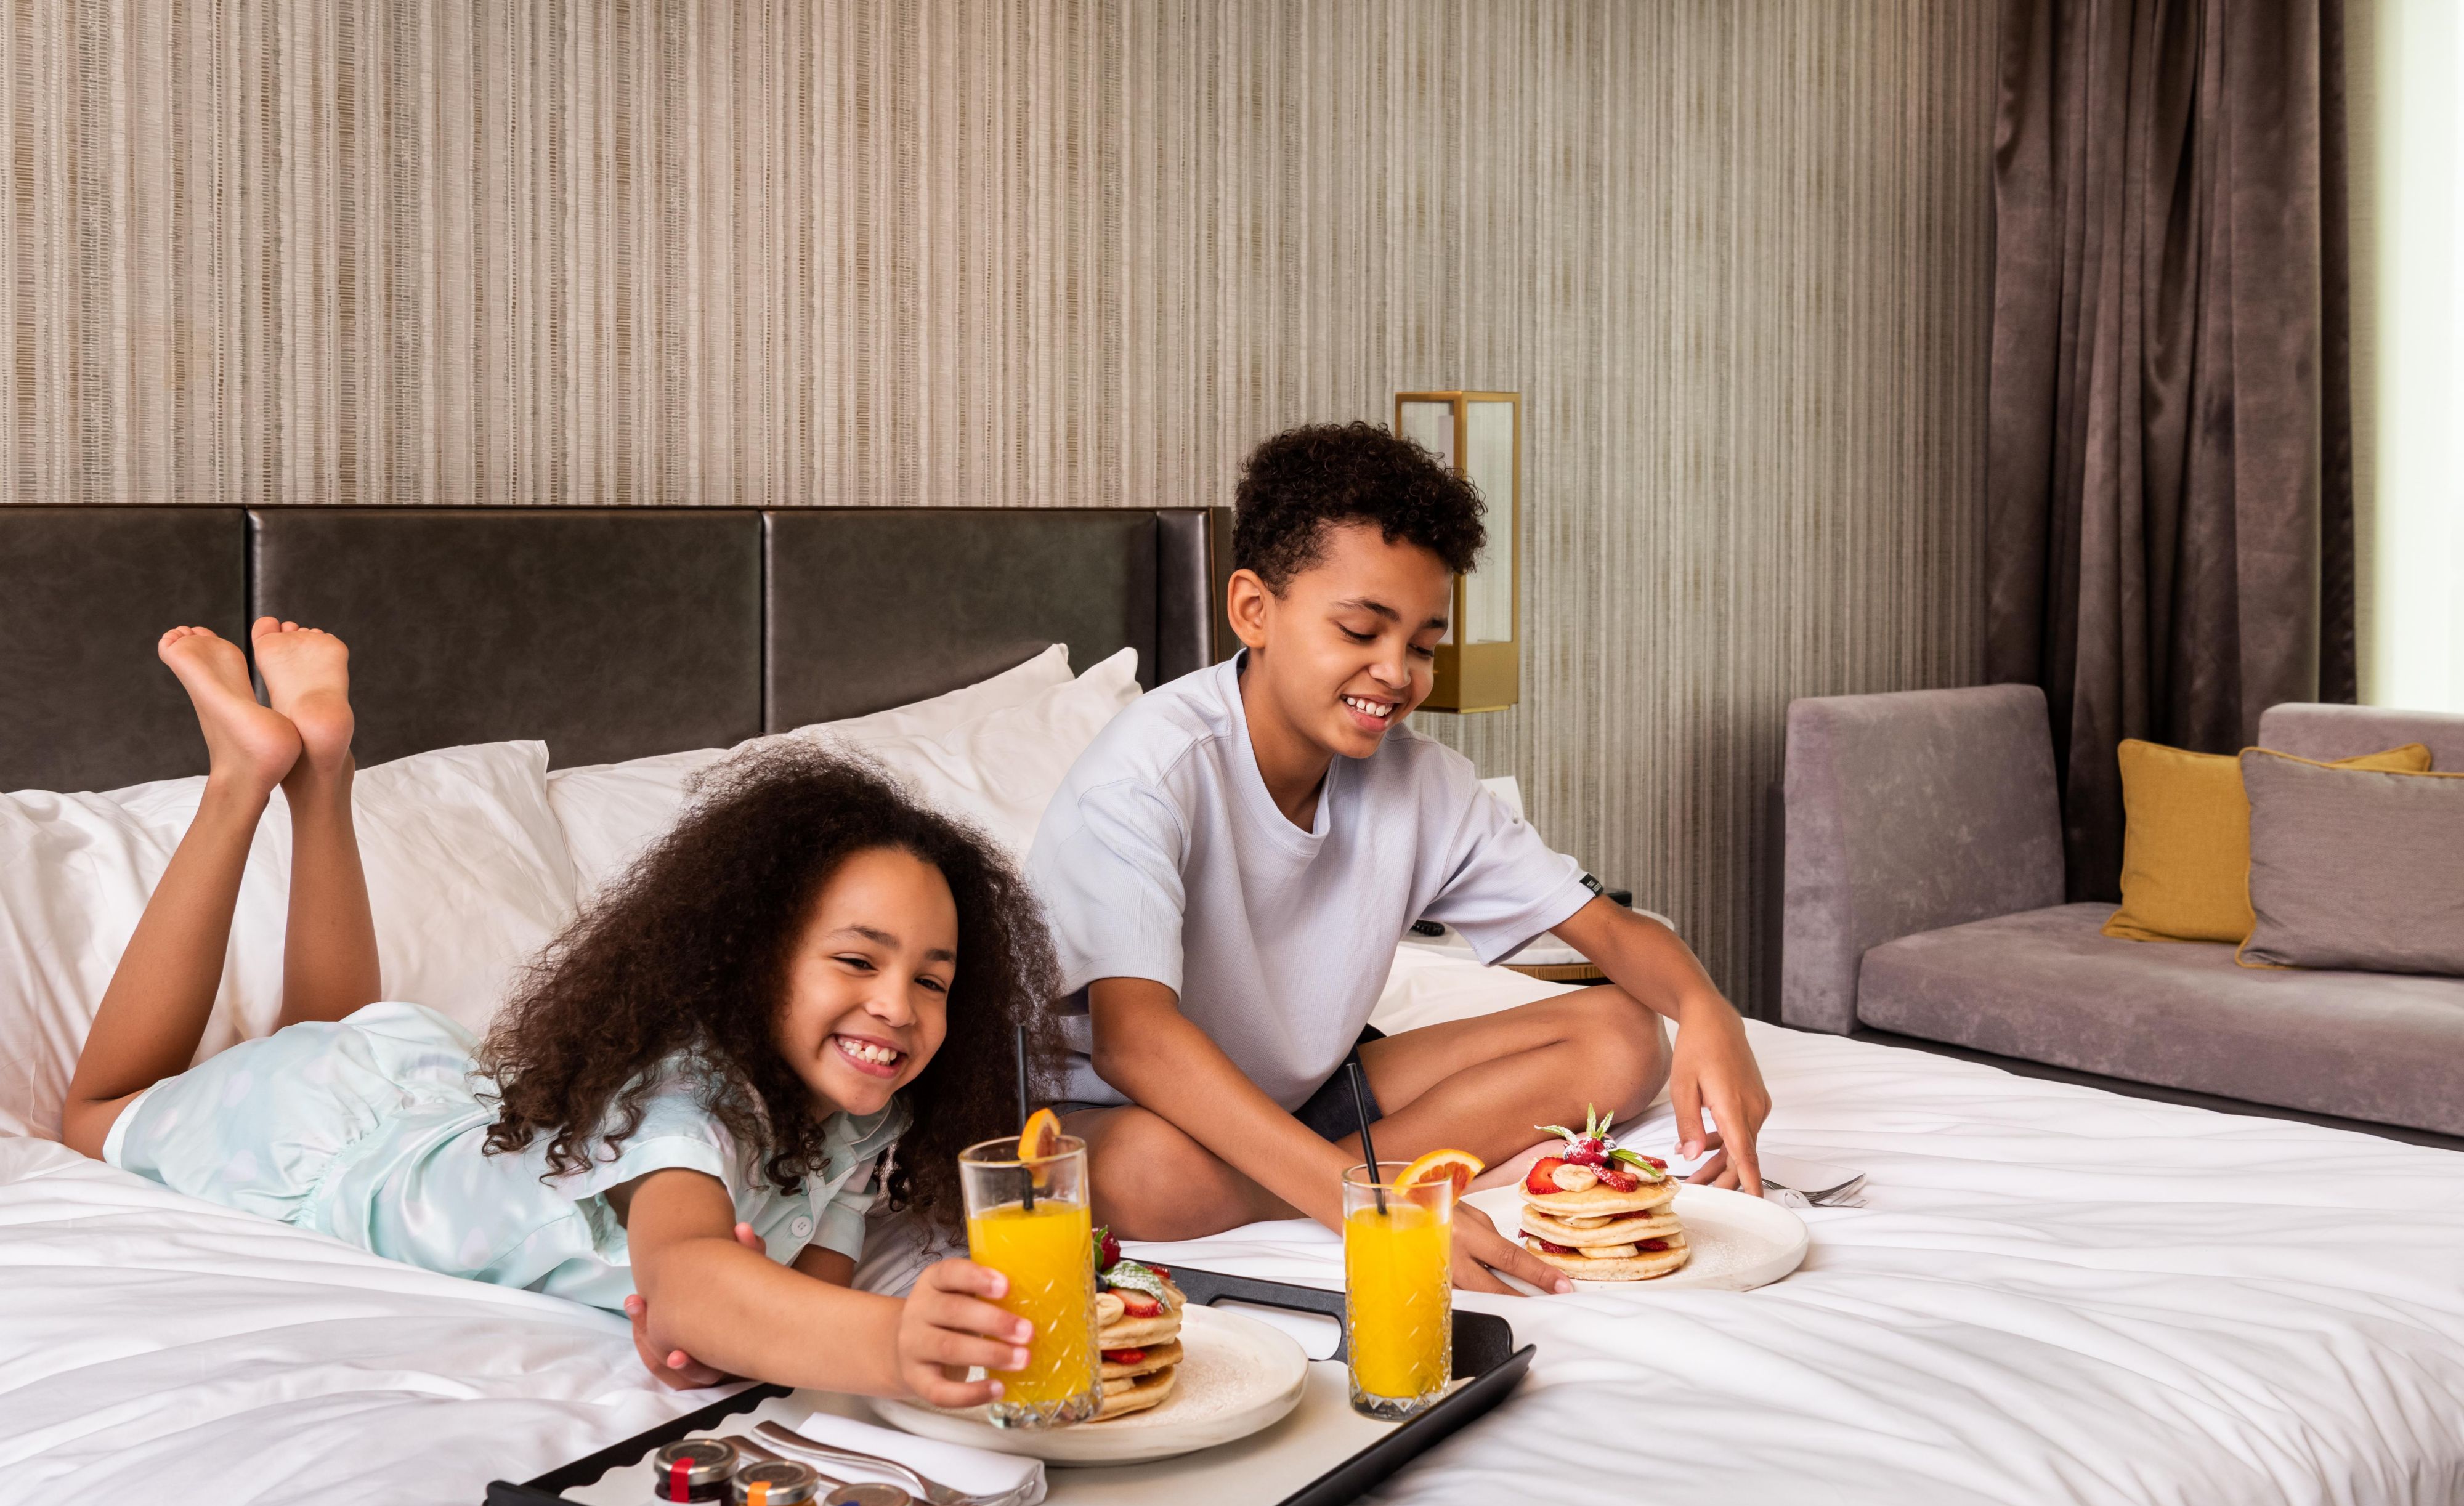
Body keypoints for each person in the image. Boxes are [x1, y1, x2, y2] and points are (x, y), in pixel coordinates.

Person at [60, 619, 1052, 1405]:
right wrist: (890, 1340)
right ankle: (240, 780)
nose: (897, 1005)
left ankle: (323, 767)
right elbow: (695, 1268)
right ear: (754, 959)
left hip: (428, 1092)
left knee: (333, 1023)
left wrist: (721, 1339)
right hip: (335, 1147)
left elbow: (801, 1291)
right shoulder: (694, 1097)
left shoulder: (873, 1106)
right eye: (855, 960)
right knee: (101, 1111)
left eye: (933, 978)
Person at [1027, 421, 1771, 1294]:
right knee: (1145, 1173)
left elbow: (1608, 933)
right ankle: (1336, 1181)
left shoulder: (1418, 782)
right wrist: (1378, 1209)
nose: (1396, 672)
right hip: (1128, 1114)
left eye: (1421, 645)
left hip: (1300, 1093)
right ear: (1252, 611)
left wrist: (1707, 1004)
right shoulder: (1149, 774)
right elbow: (1134, 1043)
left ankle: (1309, 1176)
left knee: (1623, 1033)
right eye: (1361, 630)